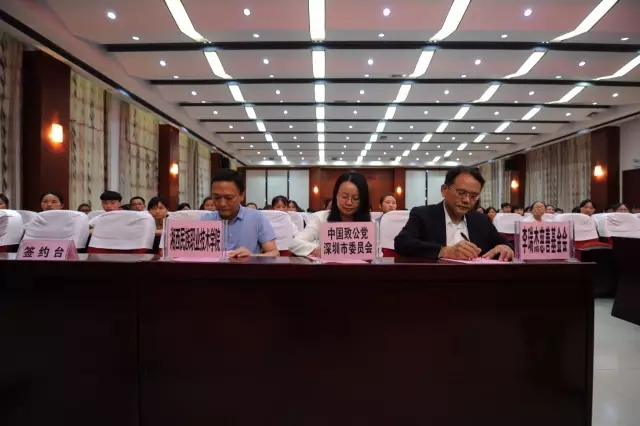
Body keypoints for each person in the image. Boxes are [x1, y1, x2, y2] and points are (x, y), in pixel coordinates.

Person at [394, 166, 513, 261]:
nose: (467, 200)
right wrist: (444, 251)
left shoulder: (481, 221)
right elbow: (402, 242)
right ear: (444, 190)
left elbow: (506, 244)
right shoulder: (423, 215)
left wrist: (506, 248)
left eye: (473, 196)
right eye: (461, 193)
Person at [290, 172, 371, 257]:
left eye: (356, 198)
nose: (349, 202)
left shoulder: (370, 223)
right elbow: (295, 243)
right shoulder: (321, 218)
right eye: (344, 197)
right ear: (336, 196)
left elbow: (377, 253)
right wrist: (318, 250)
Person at [201, 169, 278, 258]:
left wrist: (252, 257)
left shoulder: (256, 218)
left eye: (229, 198)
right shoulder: (205, 220)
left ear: (242, 195)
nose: (222, 203)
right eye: (217, 197)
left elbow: (274, 253)